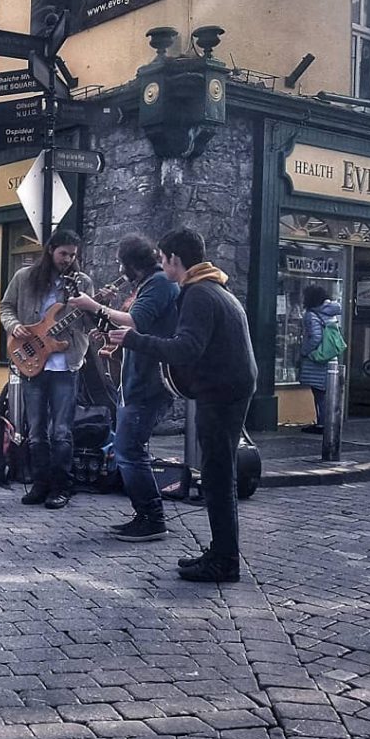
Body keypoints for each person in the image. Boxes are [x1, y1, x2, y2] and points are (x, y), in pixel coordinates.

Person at [108, 227, 258, 583]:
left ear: (175, 259)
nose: (162, 265)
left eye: (163, 259)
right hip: (229, 387)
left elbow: (186, 348)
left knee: (218, 477)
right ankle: (221, 552)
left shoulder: (200, 294)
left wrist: (134, 340)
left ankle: (224, 562)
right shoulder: (213, 288)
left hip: (220, 392)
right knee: (219, 475)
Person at [70, 234, 179, 541]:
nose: (120, 269)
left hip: (148, 383)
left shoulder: (159, 284)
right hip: (136, 380)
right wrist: (103, 325)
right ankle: (144, 514)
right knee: (128, 449)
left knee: (129, 450)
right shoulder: (149, 285)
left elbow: (134, 321)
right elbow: (132, 328)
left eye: (122, 263)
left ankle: (152, 518)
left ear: (132, 264)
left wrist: (93, 305)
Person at [0, 228, 93, 509]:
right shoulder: (25, 277)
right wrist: (14, 326)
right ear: (51, 250)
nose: (68, 259)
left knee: (61, 431)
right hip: (32, 363)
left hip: (66, 365)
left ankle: (61, 487)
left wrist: (92, 307)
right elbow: (6, 307)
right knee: (37, 430)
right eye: (63, 253)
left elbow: (88, 325)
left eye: (73, 255)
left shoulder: (82, 282)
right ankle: (40, 484)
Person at [299, 284, 342, 434]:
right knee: (326, 393)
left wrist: (305, 351)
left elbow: (316, 337)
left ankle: (322, 424)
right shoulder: (330, 313)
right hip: (330, 357)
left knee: (319, 394)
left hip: (317, 359)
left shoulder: (312, 314)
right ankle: (326, 423)